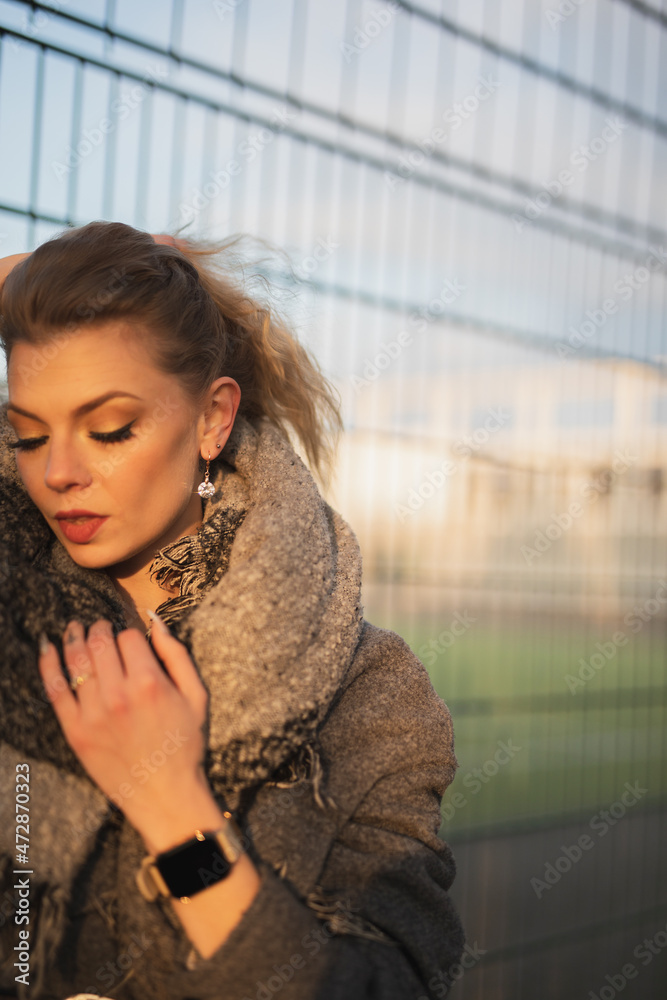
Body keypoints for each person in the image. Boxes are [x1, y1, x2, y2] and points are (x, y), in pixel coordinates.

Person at [0, 221, 465, 1000]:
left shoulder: (366, 693)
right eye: (27, 435)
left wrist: (176, 816)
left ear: (213, 419)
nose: (60, 473)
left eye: (110, 430)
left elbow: (388, 986)